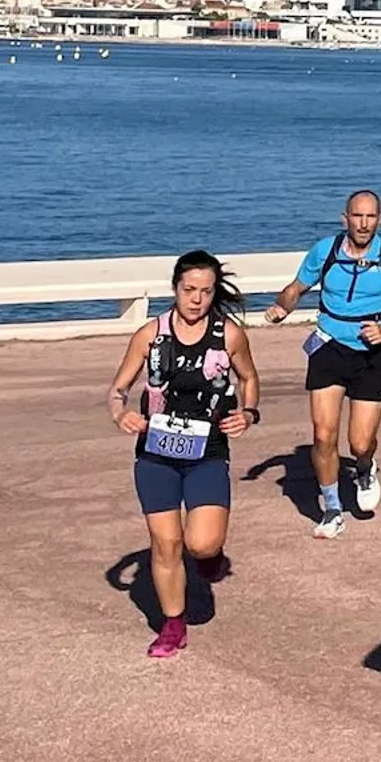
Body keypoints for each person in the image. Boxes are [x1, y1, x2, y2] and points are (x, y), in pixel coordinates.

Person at [105, 251, 261, 658]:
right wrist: (121, 414)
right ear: (175, 288)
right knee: (165, 542)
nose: (196, 299)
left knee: (203, 544)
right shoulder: (149, 335)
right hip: (156, 452)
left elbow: (248, 377)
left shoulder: (228, 335)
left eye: (206, 292)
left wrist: (248, 413)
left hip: (207, 451)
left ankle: (210, 560)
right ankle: (173, 625)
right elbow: (117, 389)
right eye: (189, 290)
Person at [264, 191, 381, 538]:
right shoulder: (324, 250)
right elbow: (296, 287)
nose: (364, 224)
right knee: (323, 435)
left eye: (370, 217)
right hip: (328, 348)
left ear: (380, 220)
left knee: (359, 443)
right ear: (345, 218)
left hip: (372, 355)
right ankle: (333, 508)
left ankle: (365, 468)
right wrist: (282, 307)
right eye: (357, 216)